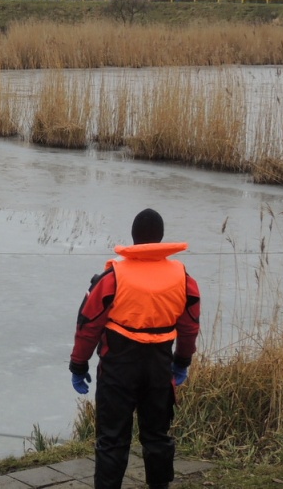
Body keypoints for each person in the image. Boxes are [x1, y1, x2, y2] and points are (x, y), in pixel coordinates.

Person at [69, 209, 201, 489]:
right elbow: (190, 325)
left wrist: (78, 366)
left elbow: (88, 325)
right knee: (156, 435)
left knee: (112, 439)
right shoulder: (183, 277)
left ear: (133, 237)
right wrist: (182, 361)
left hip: (118, 366)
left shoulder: (111, 277)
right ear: (161, 238)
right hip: (159, 368)